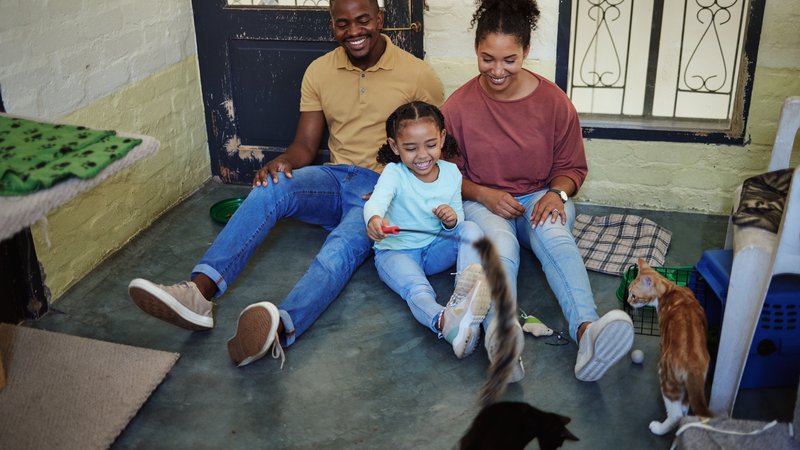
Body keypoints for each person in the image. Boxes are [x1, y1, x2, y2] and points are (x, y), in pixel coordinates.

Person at [127, 0, 444, 368]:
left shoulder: (418, 74)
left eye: (363, 21)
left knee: (340, 247)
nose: (354, 31)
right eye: (343, 24)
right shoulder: (319, 71)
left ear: (380, 20)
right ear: (332, 27)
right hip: (334, 178)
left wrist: (400, 192)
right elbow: (306, 146)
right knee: (273, 186)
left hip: (381, 188)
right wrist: (281, 162)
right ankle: (199, 293)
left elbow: (434, 149)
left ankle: (279, 328)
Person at [441, 0, 633, 382]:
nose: (497, 70)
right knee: (500, 244)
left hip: (539, 196)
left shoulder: (555, 103)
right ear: (476, 51)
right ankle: (502, 334)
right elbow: (446, 175)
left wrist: (555, 195)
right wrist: (483, 194)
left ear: (526, 52)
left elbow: (571, 169)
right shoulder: (458, 107)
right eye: (487, 58)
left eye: (509, 59)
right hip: (485, 200)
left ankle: (588, 332)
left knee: (556, 237)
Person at [364, 101, 491, 360]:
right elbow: (377, 201)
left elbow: (457, 220)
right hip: (396, 253)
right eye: (410, 148)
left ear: (442, 138)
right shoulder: (394, 173)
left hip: (434, 250)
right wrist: (374, 219)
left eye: (430, 145)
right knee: (417, 290)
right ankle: (445, 323)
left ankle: (461, 300)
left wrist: (450, 219)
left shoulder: (451, 172)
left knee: (470, 228)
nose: (422, 155)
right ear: (394, 146)